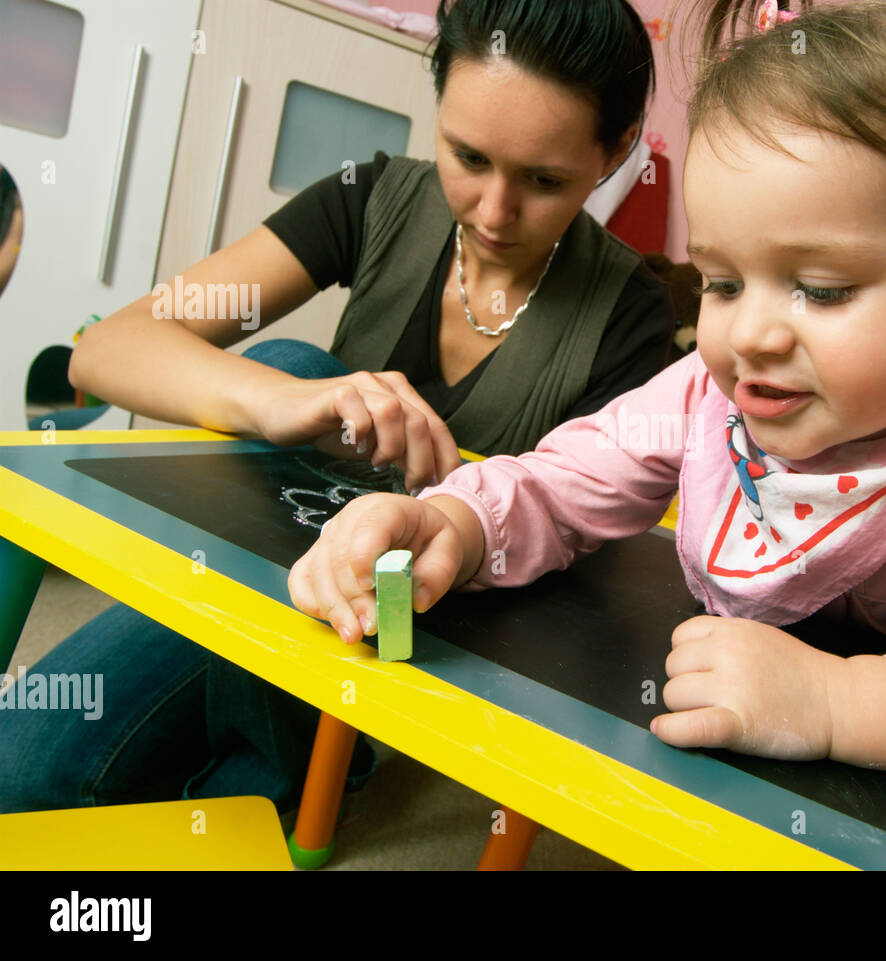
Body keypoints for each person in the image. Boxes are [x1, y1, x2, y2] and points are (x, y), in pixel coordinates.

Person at [289, 0, 886, 798]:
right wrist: (449, 525)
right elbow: (559, 484)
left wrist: (837, 699)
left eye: (820, 289)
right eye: (720, 281)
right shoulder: (714, 396)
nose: (750, 335)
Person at [0, 0, 673, 814]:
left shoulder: (631, 319)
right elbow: (108, 350)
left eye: (544, 180)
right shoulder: (375, 198)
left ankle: (284, 777)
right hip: (281, 562)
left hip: (429, 613)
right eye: (467, 155)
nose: (494, 213)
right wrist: (286, 399)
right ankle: (272, 766)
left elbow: (578, 536)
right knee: (25, 768)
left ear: (617, 150)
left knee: (143, 786)